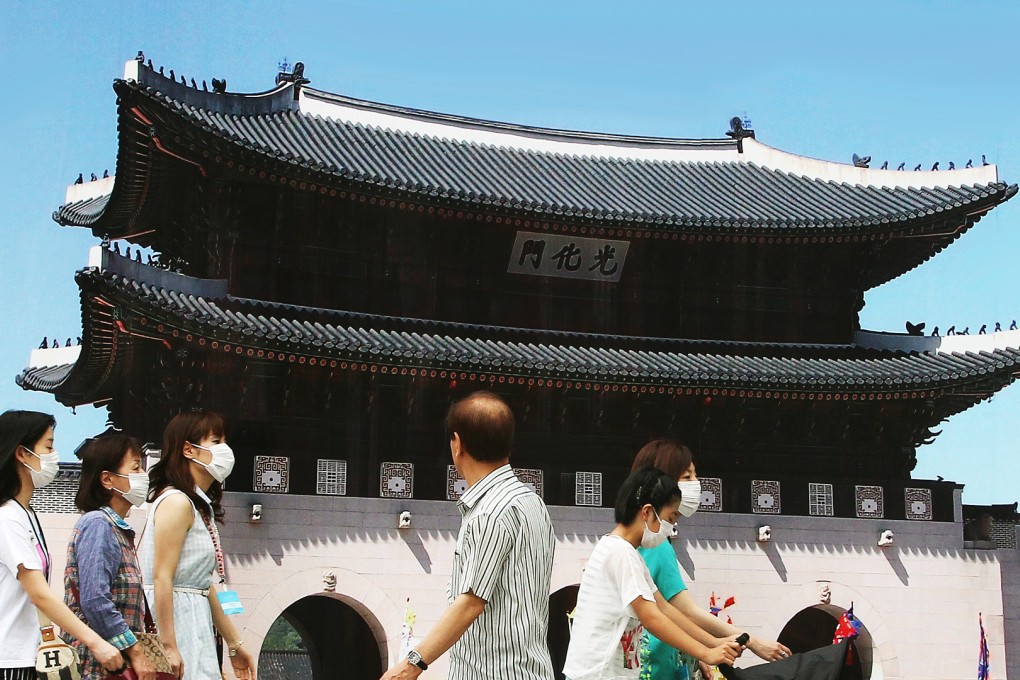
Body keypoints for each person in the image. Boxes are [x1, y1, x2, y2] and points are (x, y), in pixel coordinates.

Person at [381, 391, 556, 680]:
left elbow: (471, 601)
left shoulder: (488, 512)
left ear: (458, 444)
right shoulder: (532, 502)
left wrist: (411, 665)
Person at [563, 465, 742, 680]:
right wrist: (706, 652)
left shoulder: (624, 552)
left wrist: (715, 643)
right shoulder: (621, 554)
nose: (671, 527)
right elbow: (652, 617)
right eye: (670, 518)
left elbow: (664, 608)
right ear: (647, 512)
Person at [632, 439, 791, 679]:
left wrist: (699, 651)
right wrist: (752, 641)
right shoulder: (658, 547)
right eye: (687, 477)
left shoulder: (639, 542)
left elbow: (669, 612)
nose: (696, 484)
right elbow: (686, 612)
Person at [0, 410, 123, 680]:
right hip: (10, 659)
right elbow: (39, 593)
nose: (54, 455)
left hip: (31, 655)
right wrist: (96, 643)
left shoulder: (26, 513)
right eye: (48, 446)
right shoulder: (8, 517)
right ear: (21, 454)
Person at [138, 412, 255, 680]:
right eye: (216, 440)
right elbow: (162, 577)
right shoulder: (177, 502)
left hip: (194, 616)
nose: (225, 449)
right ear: (189, 450)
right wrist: (168, 646)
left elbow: (202, 584)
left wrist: (235, 644)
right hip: (178, 621)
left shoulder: (198, 505)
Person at [64, 434, 158, 680]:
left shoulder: (116, 529)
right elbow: (95, 599)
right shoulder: (98, 525)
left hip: (112, 664)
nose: (142, 475)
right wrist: (136, 652)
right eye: (135, 467)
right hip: (98, 666)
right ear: (107, 479)